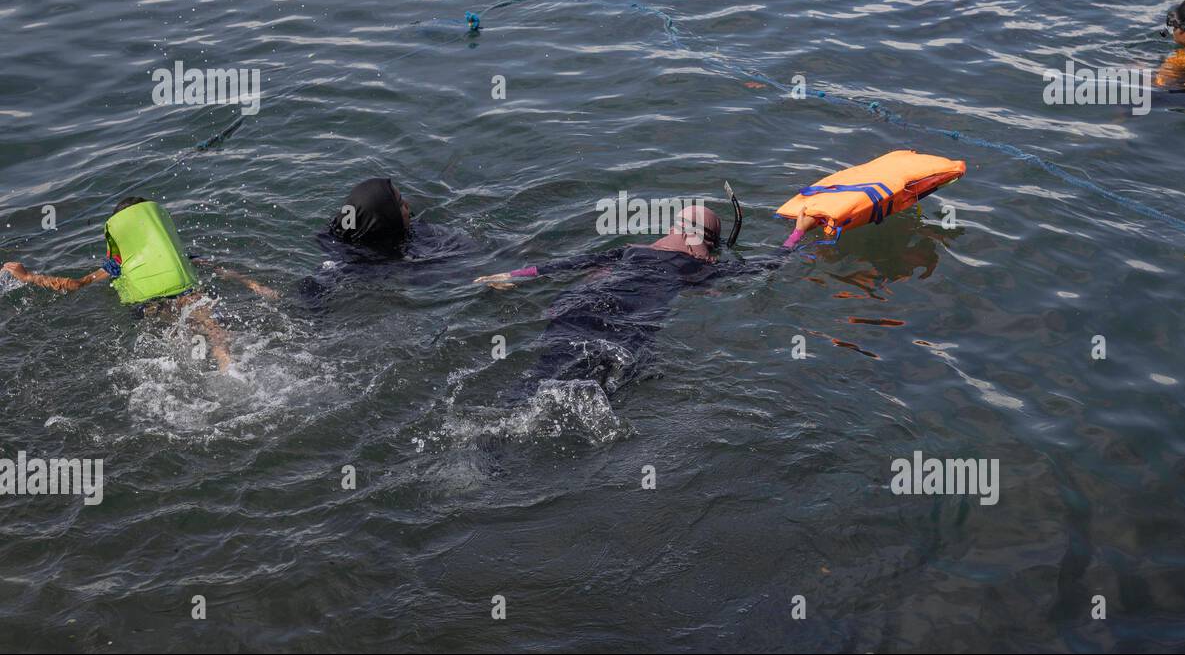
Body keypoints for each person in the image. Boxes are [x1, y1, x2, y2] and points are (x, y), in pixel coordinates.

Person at [474, 204, 817, 397]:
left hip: (575, 308)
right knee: (593, 389)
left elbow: (567, 265)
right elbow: (769, 265)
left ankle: (497, 420)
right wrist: (799, 231)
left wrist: (512, 276)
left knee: (541, 374)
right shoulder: (700, 270)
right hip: (628, 326)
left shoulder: (628, 252)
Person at [2, 196, 275, 371]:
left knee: (174, 341)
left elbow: (74, 284)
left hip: (149, 306)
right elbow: (220, 270)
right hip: (189, 295)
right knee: (214, 331)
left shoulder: (117, 265)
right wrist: (254, 286)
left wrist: (28, 277)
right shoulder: (177, 256)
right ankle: (229, 370)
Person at [299, 177, 474, 302]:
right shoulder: (405, 254)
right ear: (385, 219)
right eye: (399, 204)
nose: (407, 205)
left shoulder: (336, 237)